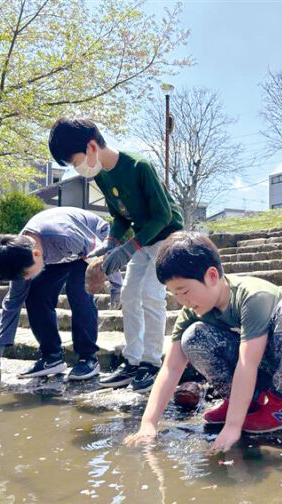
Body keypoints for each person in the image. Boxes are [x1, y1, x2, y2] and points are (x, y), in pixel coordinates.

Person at [124, 231, 282, 452]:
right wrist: (148, 424)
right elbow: (171, 367)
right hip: (259, 370)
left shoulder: (253, 297)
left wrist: (232, 427)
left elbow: (247, 362)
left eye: (184, 291)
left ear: (212, 276)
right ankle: (246, 403)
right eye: (174, 294)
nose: (182, 301)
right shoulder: (192, 310)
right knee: (192, 336)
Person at [49, 118, 183, 393]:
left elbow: (164, 215)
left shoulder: (138, 166)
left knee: (150, 294)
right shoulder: (101, 173)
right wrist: (112, 242)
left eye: (75, 162)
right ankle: (132, 361)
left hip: (166, 236)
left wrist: (128, 248)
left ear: (91, 146)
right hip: (141, 240)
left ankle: (151, 362)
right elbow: (120, 215)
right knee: (129, 295)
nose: (78, 169)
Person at [0, 207, 122, 381]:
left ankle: (88, 358)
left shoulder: (65, 237)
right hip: (59, 254)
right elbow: (13, 302)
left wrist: (116, 286)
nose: (25, 279)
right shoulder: (20, 256)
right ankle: (51, 357)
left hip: (91, 240)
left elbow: (103, 252)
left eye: (26, 274)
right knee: (35, 294)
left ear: (36, 254)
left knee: (78, 290)